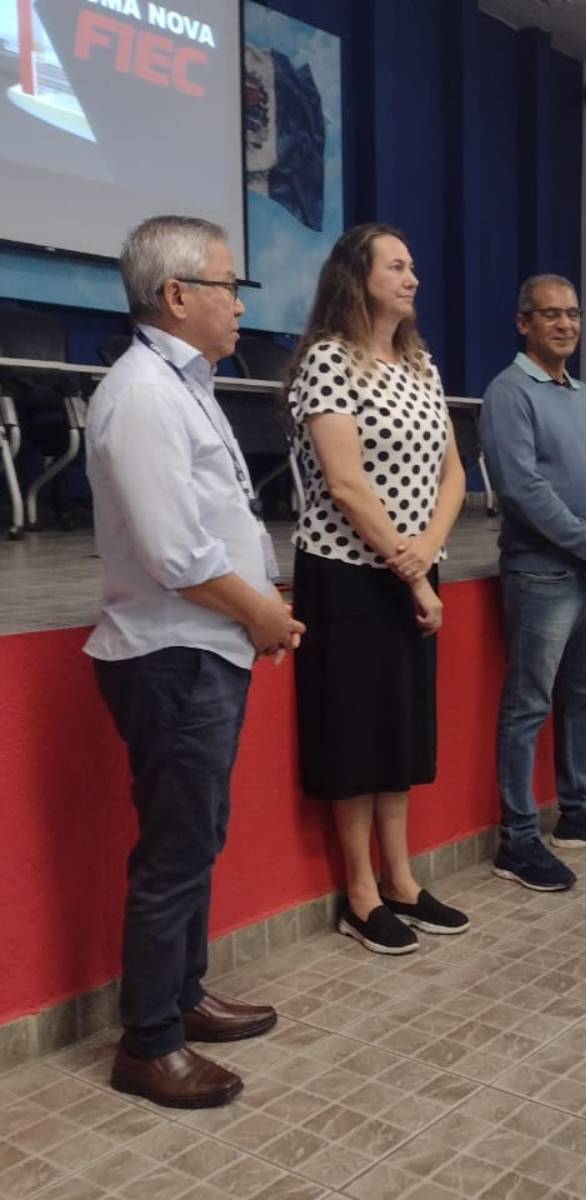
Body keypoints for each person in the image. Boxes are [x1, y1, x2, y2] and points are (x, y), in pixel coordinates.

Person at [85, 216, 305, 1108]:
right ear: (176, 295)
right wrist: (263, 613)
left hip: (205, 645)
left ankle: (182, 994)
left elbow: (216, 522)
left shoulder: (185, 384)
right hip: (173, 654)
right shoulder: (143, 394)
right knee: (175, 850)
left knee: (196, 835)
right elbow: (175, 554)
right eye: (228, 285)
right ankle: (148, 1043)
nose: (241, 304)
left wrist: (258, 608)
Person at [285, 223, 469, 953]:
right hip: (347, 575)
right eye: (395, 265)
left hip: (411, 570)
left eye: (412, 265)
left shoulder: (420, 363)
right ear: (355, 277)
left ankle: (402, 879)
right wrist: (411, 568)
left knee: (401, 731)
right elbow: (345, 483)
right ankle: (360, 894)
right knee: (357, 733)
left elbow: (454, 473)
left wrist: (424, 555)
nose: (411, 277)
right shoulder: (328, 359)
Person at [480, 274, 586, 892]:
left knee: (581, 697)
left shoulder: (583, 397)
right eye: (550, 314)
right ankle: (518, 840)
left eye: (573, 313)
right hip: (543, 574)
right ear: (524, 322)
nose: (565, 324)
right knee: (528, 706)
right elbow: (521, 488)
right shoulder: (508, 392)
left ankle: (578, 813)